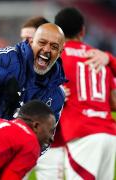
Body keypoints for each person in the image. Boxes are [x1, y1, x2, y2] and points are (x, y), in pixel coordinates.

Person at [34, 7, 116, 180]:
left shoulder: (57, 59)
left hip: (83, 136)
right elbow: (113, 102)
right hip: (109, 133)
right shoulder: (99, 57)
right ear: (83, 31)